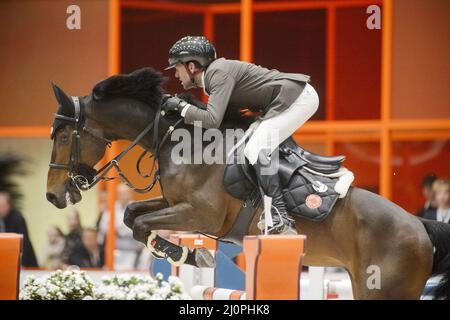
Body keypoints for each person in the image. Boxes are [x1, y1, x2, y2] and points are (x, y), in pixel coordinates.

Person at [161, 36, 319, 234]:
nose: (176, 73)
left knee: (256, 148)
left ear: (192, 66)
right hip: (288, 100)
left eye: (177, 67)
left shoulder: (217, 74)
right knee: (248, 147)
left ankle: (281, 216)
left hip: (298, 98)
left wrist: (182, 108)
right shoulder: (215, 76)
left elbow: (211, 120)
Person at [98, 183, 143, 269]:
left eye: (125, 193)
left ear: (130, 194)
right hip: (114, 252)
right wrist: (120, 229)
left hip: (132, 252)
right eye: (120, 193)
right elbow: (103, 227)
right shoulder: (111, 207)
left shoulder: (137, 208)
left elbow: (138, 229)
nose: (122, 196)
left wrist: (118, 230)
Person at [0, 191, 38, 267]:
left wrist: (21, 262)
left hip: (25, 261)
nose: (0, 209)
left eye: (2, 206)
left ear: (9, 205)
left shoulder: (17, 217)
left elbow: (24, 241)